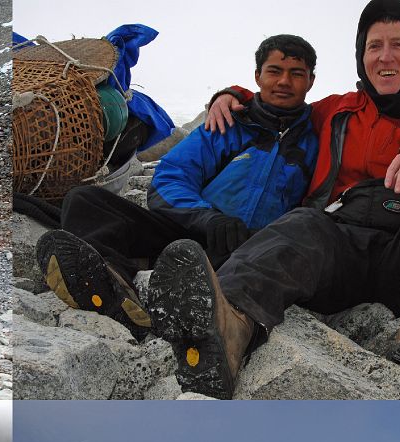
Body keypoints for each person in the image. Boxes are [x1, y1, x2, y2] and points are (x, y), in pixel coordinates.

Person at [163, 0, 400, 397]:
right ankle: (229, 328)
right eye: (374, 46)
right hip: (338, 249)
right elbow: (281, 102)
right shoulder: (338, 110)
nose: (385, 57)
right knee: (301, 222)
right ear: (361, 55)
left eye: (397, 45)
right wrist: (230, 95)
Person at [35, 34, 320, 338]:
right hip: (195, 227)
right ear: (257, 76)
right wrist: (208, 218)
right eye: (274, 71)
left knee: (215, 270)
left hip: (249, 252)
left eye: (296, 74)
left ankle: (143, 286)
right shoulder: (227, 124)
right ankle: (114, 281)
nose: (284, 82)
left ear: (311, 81)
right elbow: (171, 176)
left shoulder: (319, 138)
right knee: (85, 199)